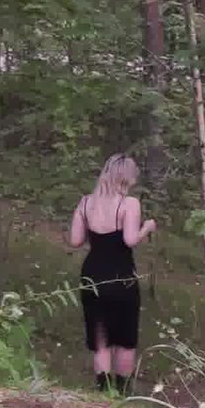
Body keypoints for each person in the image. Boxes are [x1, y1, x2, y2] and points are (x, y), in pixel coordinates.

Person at [67, 154, 156, 394]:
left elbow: (75, 240)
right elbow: (130, 240)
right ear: (127, 177)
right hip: (121, 276)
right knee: (125, 338)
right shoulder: (129, 204)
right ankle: (123, 393)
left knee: (100, 338)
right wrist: (146, 228)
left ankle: (103, 395)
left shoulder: (85, 202)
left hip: (92, 275)